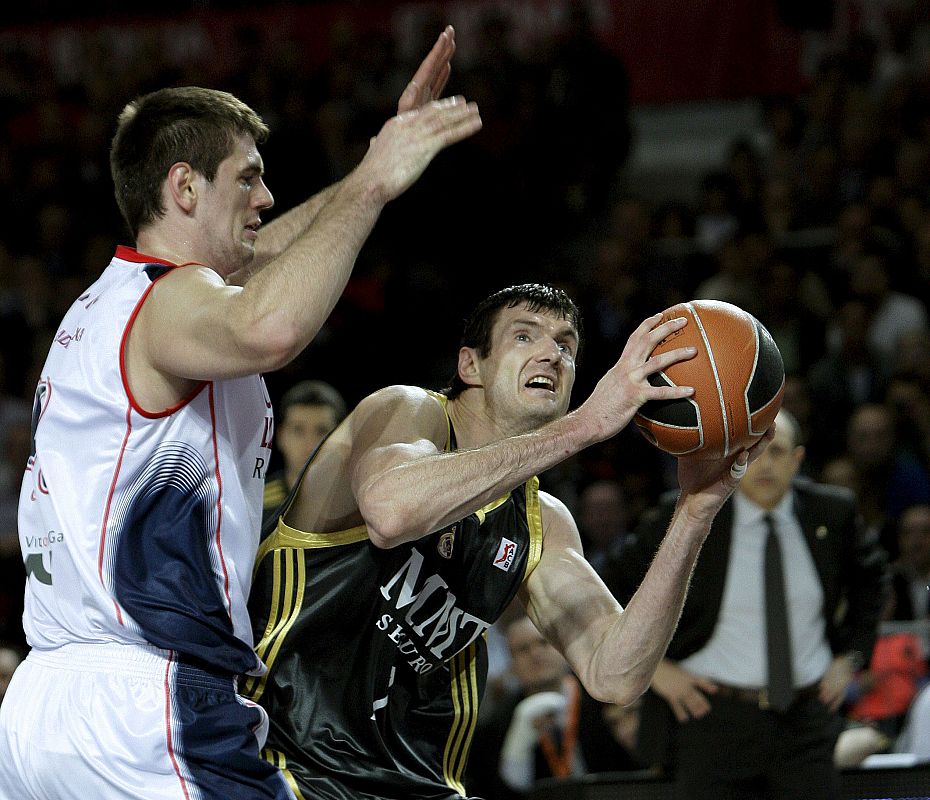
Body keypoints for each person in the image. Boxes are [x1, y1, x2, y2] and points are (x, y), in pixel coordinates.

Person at [0, 27, 482, 800]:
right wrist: (371, 186)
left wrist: (372, 171)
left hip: (44, 706)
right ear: (186, 188)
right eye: (248, 179)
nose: (266, 199)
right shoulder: (172, 300)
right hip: (148, 709)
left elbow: (262, 270)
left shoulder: (106, 304)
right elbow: (272, 328)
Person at [245, 282, 773, 799]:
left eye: (566, 345)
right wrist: (585, 425)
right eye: (525, 337)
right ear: (470, 366)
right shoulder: (408, 411)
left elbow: (616, 674)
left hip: (418, 781)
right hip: (283, 756)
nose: (552, 354)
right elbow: (391, 511)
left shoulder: (541, 520)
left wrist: (694, 512)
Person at [608, 408, 888, 800]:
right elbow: (610, 586)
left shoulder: (833, 513)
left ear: (797, 460)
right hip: (712, 718)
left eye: (778, 452)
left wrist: (852, 656)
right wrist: (656, 670)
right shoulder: (691, 510)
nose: (765, 465)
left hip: (805, 718)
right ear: (734, 456)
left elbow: (871, 582)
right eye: (754, 451)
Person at [467, 614, 644, 799]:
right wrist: (516, 754)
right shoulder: (495, 724)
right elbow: (488, 790)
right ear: (511, 663)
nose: (535, 654)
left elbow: (634, 769)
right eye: (523, 649)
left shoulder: (605, 701)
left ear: (563, 650)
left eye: (543, 643)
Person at [263, 379, 347, 519]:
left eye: (322, 431)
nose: (311, 444)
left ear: (341, 438)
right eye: (298, 430)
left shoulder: (358, 504)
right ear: (281, 436)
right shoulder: (257, 504)